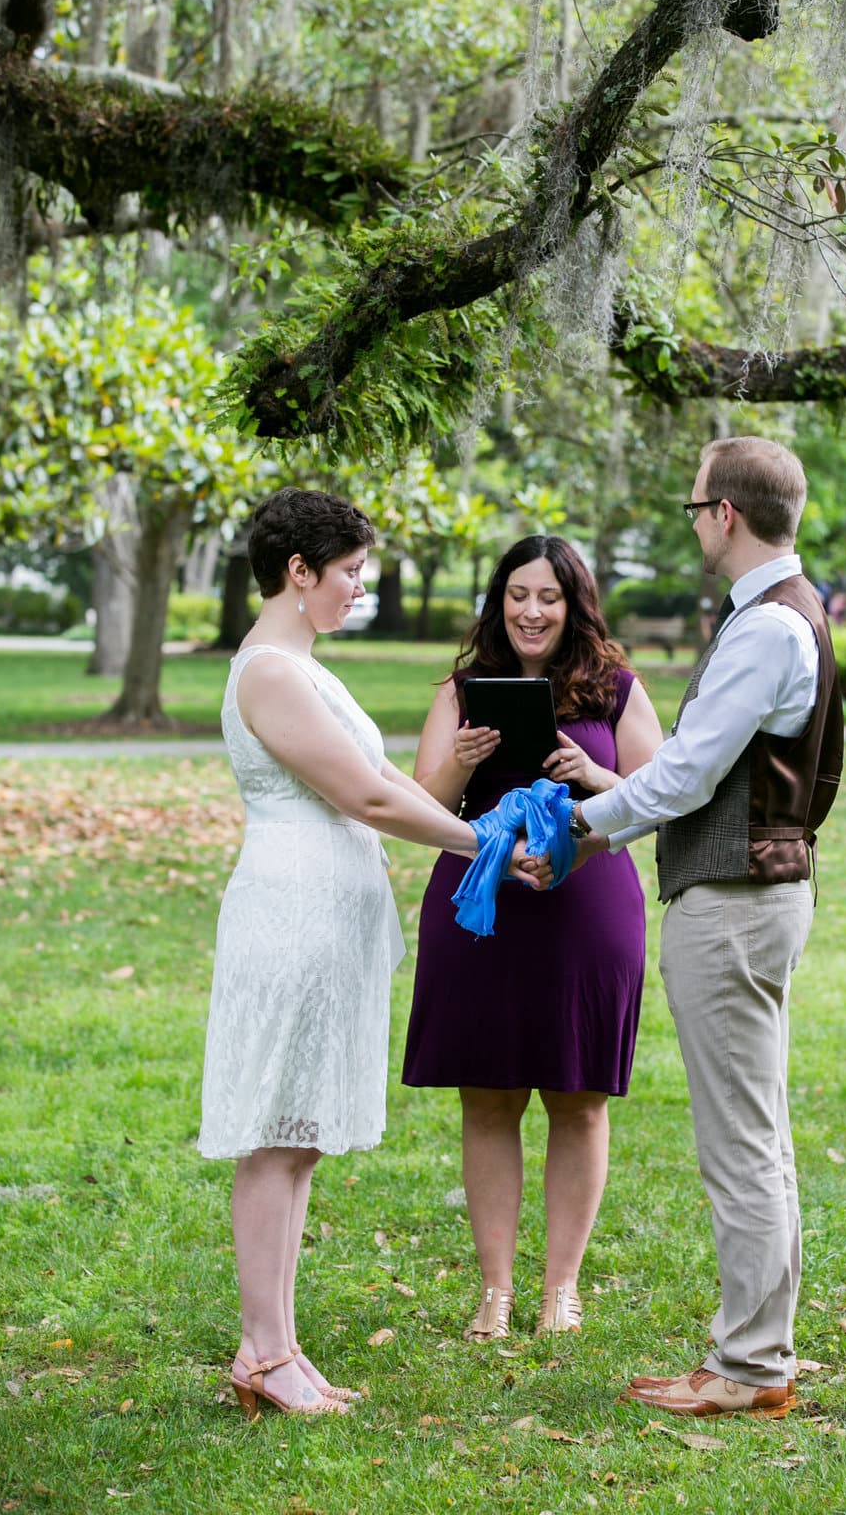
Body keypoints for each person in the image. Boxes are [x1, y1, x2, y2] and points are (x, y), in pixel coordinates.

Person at [198, 487, 547, 1421]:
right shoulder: (271, 671)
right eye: (348, 573)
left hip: (328, 914)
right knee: (277, 1134)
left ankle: (273, 1347)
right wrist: (490, 851)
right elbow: (370, 799)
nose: (360, 587)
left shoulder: (308, 666)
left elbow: (393, 777)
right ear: (298, 572)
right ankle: (264, 1353)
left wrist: (479, 826)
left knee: (299, 1137)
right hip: (294, 909)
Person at [569, 437, 843, 1420]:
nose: (693, 523)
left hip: (732, 902)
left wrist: (576, 829)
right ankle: (757, 1356)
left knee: (740, 1145)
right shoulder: (785, 613)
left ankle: (747, 1365)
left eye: (694, 508)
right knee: (753, 1137)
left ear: (724, 514)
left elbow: (685, 776)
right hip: (752, 891)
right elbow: (699, 768)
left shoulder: (767, 627)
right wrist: (612, 798)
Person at [402, 535, 663, 1341]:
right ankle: (496, 1292)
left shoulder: (617, 688)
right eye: (517, 594)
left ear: (574, 604)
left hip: (585, 911)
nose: (531, 611)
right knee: (487, 1098)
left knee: (579, 1102)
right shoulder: (462, 687)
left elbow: (659, 799)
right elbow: (423, 804)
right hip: (483, 908)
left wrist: (595, 778)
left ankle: (562, 1291)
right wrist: (461, 759)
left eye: (548, 596)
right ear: (498, 601)